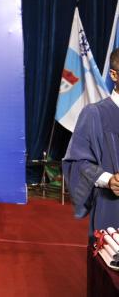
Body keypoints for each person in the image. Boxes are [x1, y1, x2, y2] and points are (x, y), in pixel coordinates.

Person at [64, 47, 119, 239]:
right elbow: (77, 163)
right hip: (112, 209)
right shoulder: (95, 114)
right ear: (114, 74)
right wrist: (108, 180)